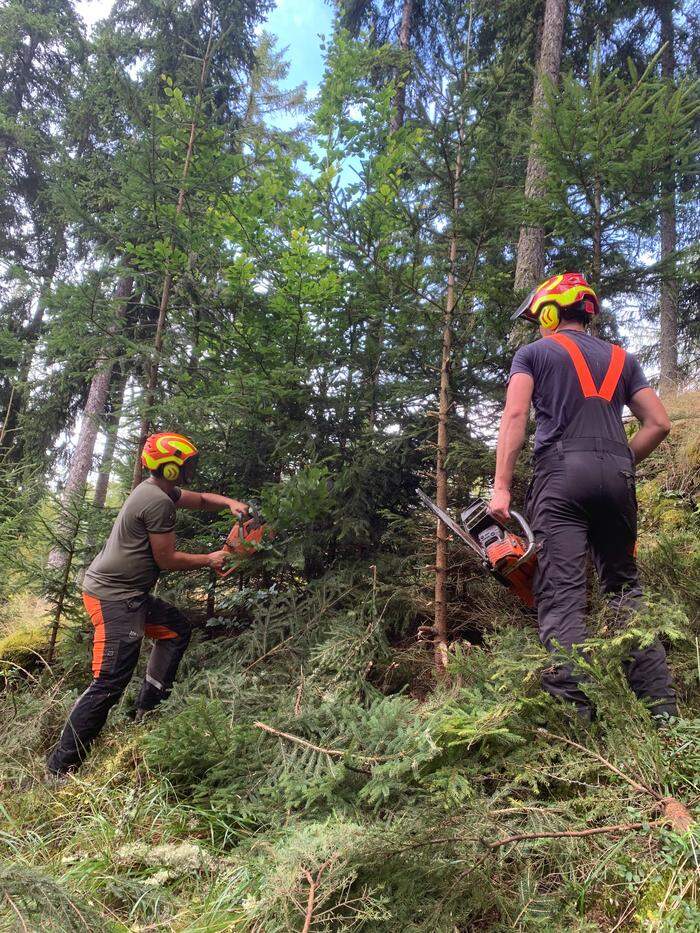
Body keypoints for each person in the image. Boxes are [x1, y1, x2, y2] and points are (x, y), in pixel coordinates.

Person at [488, 273, 677, 722]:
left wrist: (501, 486)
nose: (538, 327)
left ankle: (578, 721)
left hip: (560, 478)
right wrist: (620, 462)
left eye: (539, 318)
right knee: (625, 590)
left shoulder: (533, 353)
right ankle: (663, 713)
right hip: (617, 477)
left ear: (551, 313)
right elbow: (660, 423)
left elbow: (515, 413)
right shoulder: (622, 358)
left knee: (562, 595)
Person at [47, 432, 248, 775]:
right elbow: (167, 559)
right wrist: (211, 559)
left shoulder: (158, 489)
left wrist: (230, 503)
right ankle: (60, 768)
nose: (191, 470)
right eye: (186, 465)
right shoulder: (157, 501)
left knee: (175, 631)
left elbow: (199, 500)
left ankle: (147, 712)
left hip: (130, 595)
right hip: (113, 597)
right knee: (109, 681)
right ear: (170, 469)